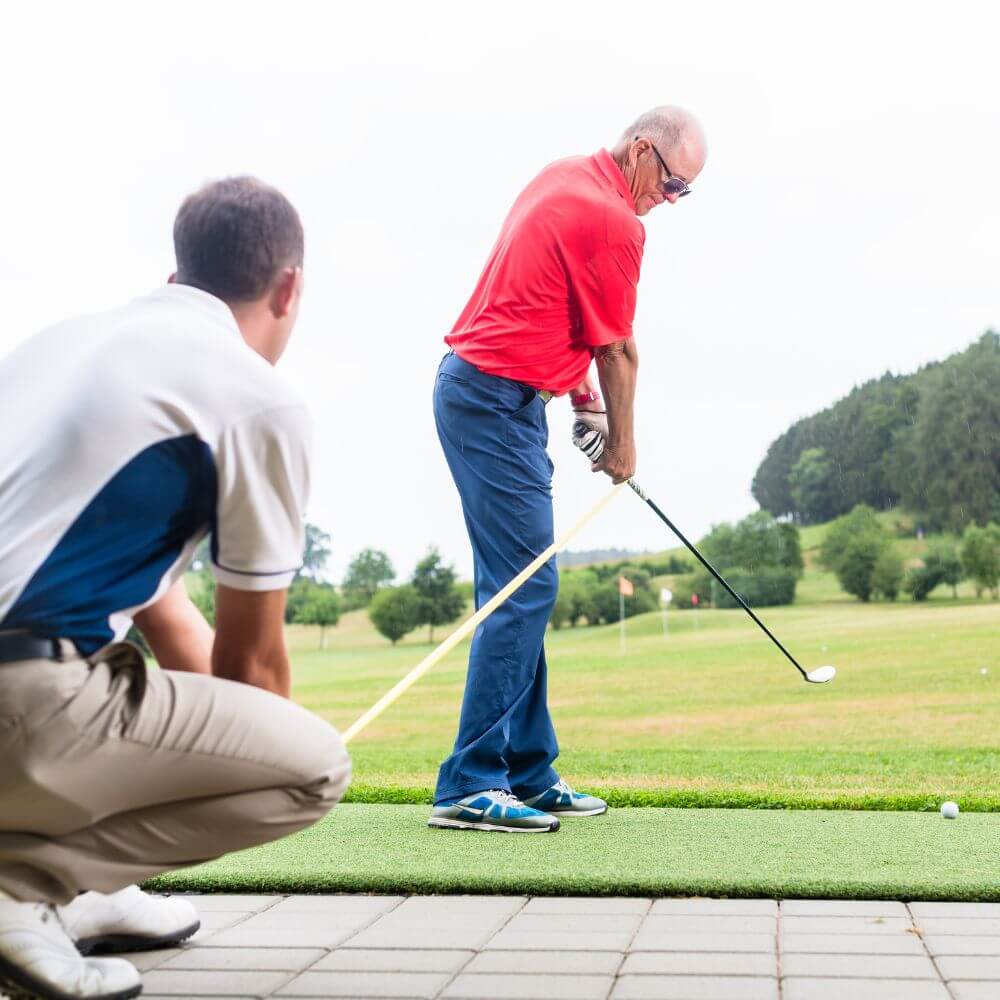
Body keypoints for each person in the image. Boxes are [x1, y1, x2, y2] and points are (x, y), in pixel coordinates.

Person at [0, 177, 351, 1000]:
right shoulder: (253, 395)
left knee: (123, 670)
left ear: (175, 277)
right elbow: (253, 674)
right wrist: (260, 738)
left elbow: (161, 607)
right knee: (311, 767)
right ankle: (29, 887)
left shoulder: (56, 348)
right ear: (289, 287)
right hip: (22, 697)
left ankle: (78, 894)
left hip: (24, 687)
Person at [429, 106, 707, 833]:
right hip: (492, 401)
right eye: (672, 186)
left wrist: (580, 401)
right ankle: (469, 783)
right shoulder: (618, 220)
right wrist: (622, 447)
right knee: (526, 587)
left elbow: (558, 312)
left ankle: (527, 771)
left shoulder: (565, 176)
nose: (669, 203)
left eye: (683, 194)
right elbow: (619, 350)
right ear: (642, 151)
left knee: (520, 582)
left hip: (492, 397)